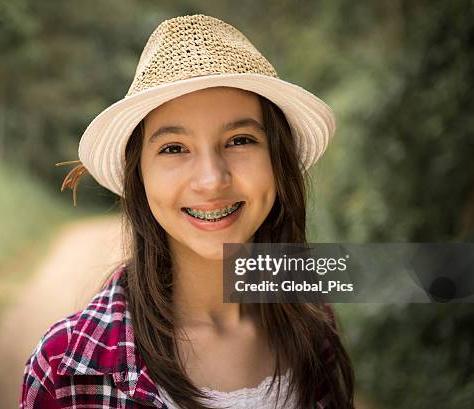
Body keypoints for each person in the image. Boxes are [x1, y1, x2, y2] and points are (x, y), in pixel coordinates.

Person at [20, 14, 354, 409]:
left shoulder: (313, 324)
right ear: (139, 176)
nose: (212, 180)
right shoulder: (66, 369)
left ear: (276, 161)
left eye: (240, 140)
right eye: (174, 148)